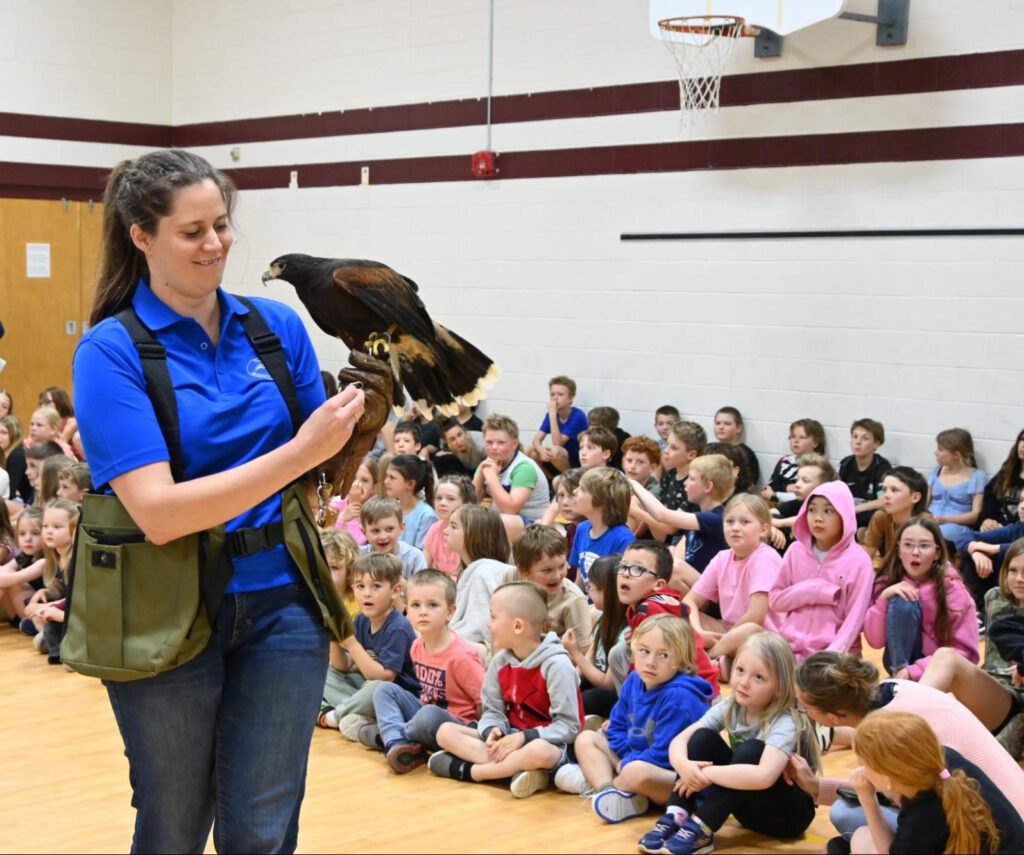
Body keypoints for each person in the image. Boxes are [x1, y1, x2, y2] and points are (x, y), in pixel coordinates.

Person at [72, 149, 366, 853]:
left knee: (264, 826)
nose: (216, 244)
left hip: (284, 605)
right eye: (192, 231)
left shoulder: (276, 327)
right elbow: (160, 510)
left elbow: (320, 475)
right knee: (173, 822)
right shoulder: (110, 351)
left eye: (223, 225)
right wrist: (302, 452)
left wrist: (357, 435)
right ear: (141, 235)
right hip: (162, 605)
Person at [789, 652, 1024, 842]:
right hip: (1008, 807)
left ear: (834, 717)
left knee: (846, 815)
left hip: (993, 829)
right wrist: (816, 786)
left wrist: (816, 786)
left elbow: (888, 794)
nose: (803, 710)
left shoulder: (883, 738)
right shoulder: (895, 687)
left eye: (805, 707)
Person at [638, 631, 819, 855]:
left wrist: (706, 774)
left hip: (788, 818)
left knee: (751, 749)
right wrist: (686, 767)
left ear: (780, 687)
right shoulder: (734, 704)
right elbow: (681, 740)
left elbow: (764, 776)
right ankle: (677, 814)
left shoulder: (785, 720)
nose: (744, 682)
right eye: (740, 670)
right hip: (747, 809)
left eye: (758, 677)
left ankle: (703, 827)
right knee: (702, 737)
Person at [430, 581, 584, 798]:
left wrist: (524, 738)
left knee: (539, 751)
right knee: (445, 731)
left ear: (518, 626)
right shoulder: (500, 661)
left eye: (493, 617)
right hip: (510, 738)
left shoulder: (556, 665)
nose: (488, 623)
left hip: (548, 745)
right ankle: (515, 771)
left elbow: (569, 727)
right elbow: (493, 711)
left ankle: (476, 772)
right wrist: (493, 731)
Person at [558, 615, 714, 823]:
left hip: (675, 779)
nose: (650, 662)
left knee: (636, 771)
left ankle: (611, 785)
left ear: (680, 661)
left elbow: (664, 756)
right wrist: (624, 756)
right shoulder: (635, 680)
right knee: (586, 739)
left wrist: (626, 763)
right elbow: (617, 724)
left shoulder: (679, 697)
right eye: (645, 651)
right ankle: (609, 792)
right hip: (635, 759)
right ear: (634, 650)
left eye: (663, 655)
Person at [849, 711, 1022, 855]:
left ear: (888, 777)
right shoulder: (944, 759)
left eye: (863, 764)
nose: (862, 770)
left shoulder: (919, 819)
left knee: (859, 837)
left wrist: (867, 799)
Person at [370, 569, 486, 773]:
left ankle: (390, 736)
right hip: (425, 714)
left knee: (428, 714)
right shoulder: (416, 646)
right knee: (383, 689)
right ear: (407, 610)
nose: (423, 611)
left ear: (450, 612)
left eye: (432, 605)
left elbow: (484, 702)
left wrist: (478, 736)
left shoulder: (462, 656)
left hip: (456, 725)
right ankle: (397, 743)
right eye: (416, 605)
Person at [765, 481, 874, 660]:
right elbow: (776, 600)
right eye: (812, 509)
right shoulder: (795, 551)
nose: (818, 518)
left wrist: (828, 658)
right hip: (790, 649)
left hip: (837, 657)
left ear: (844, 516)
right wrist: (815, 590)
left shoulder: (859, 562)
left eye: (828, 511)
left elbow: (853, 622)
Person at [862, 517, 978, 680]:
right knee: (902, 599)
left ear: (937, 553)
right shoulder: (887, 583)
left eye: (924, 546)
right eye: (908, 545)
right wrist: (883, 600)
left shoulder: (954, 590)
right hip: (899, 669)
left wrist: (916, 671)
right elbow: (875, 641)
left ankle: (904, 681)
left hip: (939, 674)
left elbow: (967, 654)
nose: (915, 552)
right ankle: (898, 677)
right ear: (898, 551)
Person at [322, 554, 419, 741]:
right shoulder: (361, 620)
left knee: (376, 687)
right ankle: (359, 715)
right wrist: (334, 638)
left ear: (395, 590)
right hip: (367, 690)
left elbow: (383, 678)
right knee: (326, 673)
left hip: (396, 696)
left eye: (376, 586)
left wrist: (351, 643)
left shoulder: (398, 627)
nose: (367, 593)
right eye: (360, 586)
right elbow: (345, 666)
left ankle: (337, 715)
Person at [685, 494, 782, 678]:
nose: (735, 528)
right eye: (730, 522)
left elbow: (756, 616)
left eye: (745, 522)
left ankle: (703, 660)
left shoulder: (765, 559)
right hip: (729, 633)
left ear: (763, 530)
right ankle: (722, 661)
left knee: (749, 631)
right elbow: (690, 600)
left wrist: (724, 641)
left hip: (765, 639)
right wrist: (698, 632)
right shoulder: (722, 557)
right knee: (679, 615)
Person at [608, 540, 720, 695]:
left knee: (635, 663)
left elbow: (639, 665)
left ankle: (633, 712)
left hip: (693, 691)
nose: (626, 574)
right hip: (695, 681)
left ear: (659, 584)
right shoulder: (649, 604)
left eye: (637, 569)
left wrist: (630, 705)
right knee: (619, 652)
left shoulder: (648, 610)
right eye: (623, 566)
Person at [629, 454, 736, 593]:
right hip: (694, 582)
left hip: (714, 593)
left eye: (691, 478)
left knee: (676, 567)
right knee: (666, 554)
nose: (685, 483)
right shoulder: (697, 509)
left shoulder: (715, 518)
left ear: (708, 486)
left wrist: (634, 484)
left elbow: (661, 514)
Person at [561, 554, 628, 720]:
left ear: (605, 591)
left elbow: (607, 683)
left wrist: (575, 653)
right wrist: (568, 683)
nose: (588, 591)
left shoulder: (626, 631)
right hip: (594, 680)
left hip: (614, 694)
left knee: (587, 700)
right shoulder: (603, 619)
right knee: (564, 688)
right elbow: (589, 659)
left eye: (590, 586)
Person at [445, 504, 514, 647]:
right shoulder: (472, 570)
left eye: (453, 526)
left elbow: (481, 630)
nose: (445, 531)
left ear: (474, 535)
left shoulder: (483, 573)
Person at [508, 524, 591, 640]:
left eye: (562, 566)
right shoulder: (511, 578)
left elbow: (582, 651)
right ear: (523, 571)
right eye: (547, 570)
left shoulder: (573, 600)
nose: (557, 576)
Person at [474, 413, 550, 535]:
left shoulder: (524, 468)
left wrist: (492, 477)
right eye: (489, 442)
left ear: (514, 443)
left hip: (534, 526)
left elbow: (510, 510)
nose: (494, 447)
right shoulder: (487, 464)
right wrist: (480, 477)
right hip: (505, 520)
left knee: (498, 522)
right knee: (465, 517)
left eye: (500, 442)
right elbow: (470, 502)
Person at [23, 499, 79, 663]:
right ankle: (62, 646)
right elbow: (62, 590)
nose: (48, 531)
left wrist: (49, 607)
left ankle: (68, 653)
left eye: (57, 527)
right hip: (67, 610)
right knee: (33, 625)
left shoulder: (76, 559)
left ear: (74, 530)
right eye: (45, 526)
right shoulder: (54, 558)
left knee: (48, 625)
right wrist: (45, 593)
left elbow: (76, 598)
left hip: (77, 612)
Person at [568, 466, 635, 590]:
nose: (575, 492)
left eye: (582, 489)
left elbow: (620, 592)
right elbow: (580, 582)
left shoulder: (624, 539)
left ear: (600, 500)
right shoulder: (582, 528)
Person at [959, 493, 1024, 620]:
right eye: (1021, 500)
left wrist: (995, 548)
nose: (1022, 507)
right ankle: (978, 612)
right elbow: (964, 536)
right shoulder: (1017, 528)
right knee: (969, 559)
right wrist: (975, 551)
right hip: (1009, 590)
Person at [861, 466, 931, 568]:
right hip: (891, 574)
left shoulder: (925, 523)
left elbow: (925, 568)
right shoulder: (881, 516)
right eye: (885, 490)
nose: (886, 495)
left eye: (894, 490)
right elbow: (866, 554)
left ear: (915, 497)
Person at [928, 427, 988, 545]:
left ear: (956, 454)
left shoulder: (976, 476)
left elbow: (975, 515)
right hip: (931, 520)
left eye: (940, 449)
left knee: (939, 533)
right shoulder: (936, 472)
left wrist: (944, 519)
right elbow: (925, 502)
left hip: (956, 526)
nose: (936, 453)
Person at [653, 421, 707, 541]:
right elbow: (660, 534)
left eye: (674, 448)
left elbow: (671, 528)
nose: (666, 451)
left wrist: (636, 511)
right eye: (667, 445)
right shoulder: (670, 474)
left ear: (691, 454)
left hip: (682, 544)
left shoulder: (694, 484)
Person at [769, 452, 836, 543]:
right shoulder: (799, 502)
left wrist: (779, 523)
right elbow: (770, 513)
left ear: (822, 486)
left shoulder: (832, 507)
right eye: (797, 479)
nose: (797, 485)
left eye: (805, 481)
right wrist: (772, 528)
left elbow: (807, 520)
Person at [838, 418, 891, 529]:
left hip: (866, 513)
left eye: (865, 438)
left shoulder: (882, 466)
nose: (857, 442)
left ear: (876, 444)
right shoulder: (845, 463)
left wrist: (855, 510)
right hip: (846, 510)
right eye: (855, 436)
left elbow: (883, 500)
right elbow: (833, 491)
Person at [358, 495, 427, 579]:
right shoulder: (360, 556)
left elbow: (422, 588)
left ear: (401, 527)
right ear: (364, 532)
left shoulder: (414, 557)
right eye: (376, 531)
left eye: (389, 529)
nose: (383, 537)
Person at [529, 375, 588, 473]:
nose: (555, 398)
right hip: (559, 459)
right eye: (552, 394)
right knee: (530, 451)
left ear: (571, 398)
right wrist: (541, 450)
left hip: (576, 459)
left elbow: (558, 443)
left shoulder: (578, 416)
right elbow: (536, 440)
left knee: (555, 450)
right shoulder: (551, 414)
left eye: (560, 394)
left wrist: (552, 414)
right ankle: (549, 481)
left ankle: (572, 480)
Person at [422, 474, 476, 579]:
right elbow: (423, 568)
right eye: (438, 498)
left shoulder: (472, 532)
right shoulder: (434, 529)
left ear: (466, 504)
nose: (442, 503)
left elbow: (472, 577)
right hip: (440, 586)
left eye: (450, 499)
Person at [761, 418, 826, 505]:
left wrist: (775, 495)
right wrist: (787, 488)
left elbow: (806, 497)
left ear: (815, 443)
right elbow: (771, 486)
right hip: (776, 505)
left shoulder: (818, 466)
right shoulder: (784, 460)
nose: (796, 441)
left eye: (802, 437)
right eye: (792, 436)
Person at [0, 506, 44, 624]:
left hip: (36, 616)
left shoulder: (45, 561)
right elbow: (4, 569)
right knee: (6, 572)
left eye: (35, 533)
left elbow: (15, 577)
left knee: (11, 577)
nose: (28, 539)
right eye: (22, 534)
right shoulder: (25, 555)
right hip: (18, 613)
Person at [383, 454, 436, 549]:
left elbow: (421, 555)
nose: (386, 481)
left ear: (410, 484)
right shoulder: (391, 509)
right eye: (386, 476)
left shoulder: (426, 516)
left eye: (392, 478)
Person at [979, 428, 1024, 530]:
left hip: (1017, 536)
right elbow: (989, 502)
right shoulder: (1006, 474)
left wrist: (1004, 529)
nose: (1023, 445)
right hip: (996, 529)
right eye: (1022, 440)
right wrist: (986, 521)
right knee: (964, 538)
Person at [330, 454, 377, 545]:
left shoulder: (375, 511)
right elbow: (327, 538)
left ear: (374, 487)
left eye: (364, 480)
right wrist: (342, 519)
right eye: (353, 479)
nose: (357, 484)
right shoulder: (334, 504)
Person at [712, 406, 761, 490]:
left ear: (738, 428)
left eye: (727, 424)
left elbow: (751, 486)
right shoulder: (710, 449)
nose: (721, 427)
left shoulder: (746, 453)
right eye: (718, 423)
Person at [321, 528, 359, 618]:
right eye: (321, 565)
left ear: (350, 572)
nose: (326, 573)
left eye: (334, 567)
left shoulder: (360, 607)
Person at [587, 406, 631, 470]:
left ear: (605, 427)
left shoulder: (620, 442)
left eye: (593, 425)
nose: (589, 428)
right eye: (589, 424)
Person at [0, 415, 29, 504]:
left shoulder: (18, 456)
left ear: (14, 435)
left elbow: (10, 492)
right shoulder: (5, 453)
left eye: (4, 433)